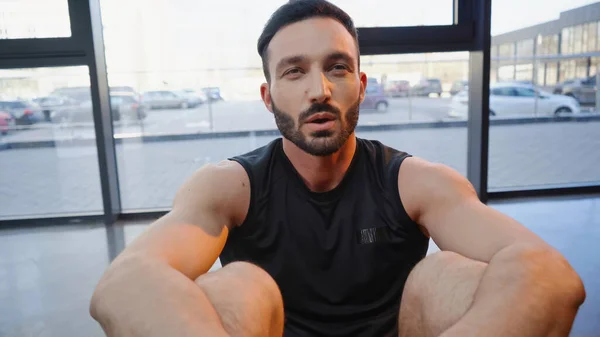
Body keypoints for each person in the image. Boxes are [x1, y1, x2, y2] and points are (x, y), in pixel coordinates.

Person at [90, 1, 586, 336]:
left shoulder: (413, 181)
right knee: (237, 284)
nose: (319, 89)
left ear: (361, 85)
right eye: (294, 71)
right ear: (268, 97)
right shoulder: (230, 186)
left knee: (444, 275)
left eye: (337, 67)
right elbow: (126, 282)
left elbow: (548, 275)